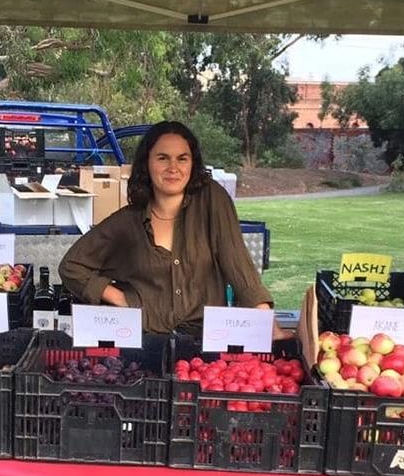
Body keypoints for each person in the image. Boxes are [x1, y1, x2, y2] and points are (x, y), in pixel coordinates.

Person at [59, 120, 289, 339]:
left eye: (182, 158)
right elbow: (71, 267)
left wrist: (264, 319)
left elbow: (236, 261)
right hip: (144, 343)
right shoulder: (127, 223)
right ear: (147, 163)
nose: (173, 168)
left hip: (205, 342)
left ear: (193, 163)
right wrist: (121, 298)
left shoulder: (212, 199)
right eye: (162, 158)